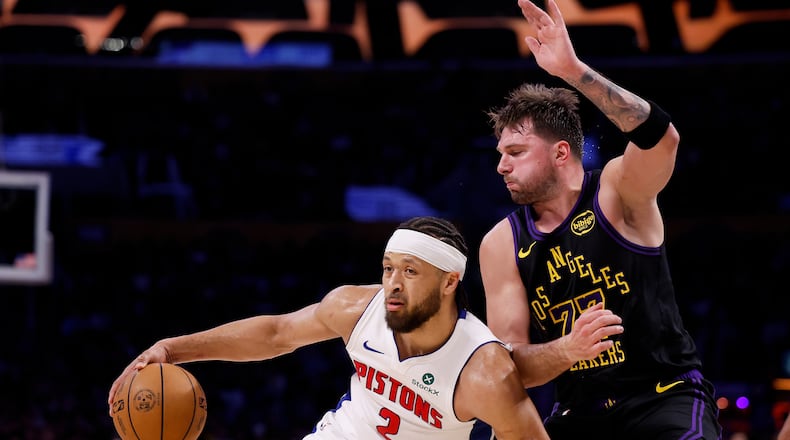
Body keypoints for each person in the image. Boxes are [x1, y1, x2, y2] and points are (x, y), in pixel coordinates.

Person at [478, 0, 722, 438]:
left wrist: (572, 71)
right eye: (499, 154)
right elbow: (508, 365)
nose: (501, 166)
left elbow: (662, 140)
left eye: (515, 153)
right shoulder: (501, 243)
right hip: (579, 412)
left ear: (560, 152)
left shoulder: (614, 190)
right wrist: (566, 350)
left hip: (663, 394)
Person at [108, 216, 550, 440]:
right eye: (388, 268)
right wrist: (173, 348)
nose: (392, 283)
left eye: (410, 272)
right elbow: (276, 333)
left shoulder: (483, 369)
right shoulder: (355, 308)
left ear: (450, 281)